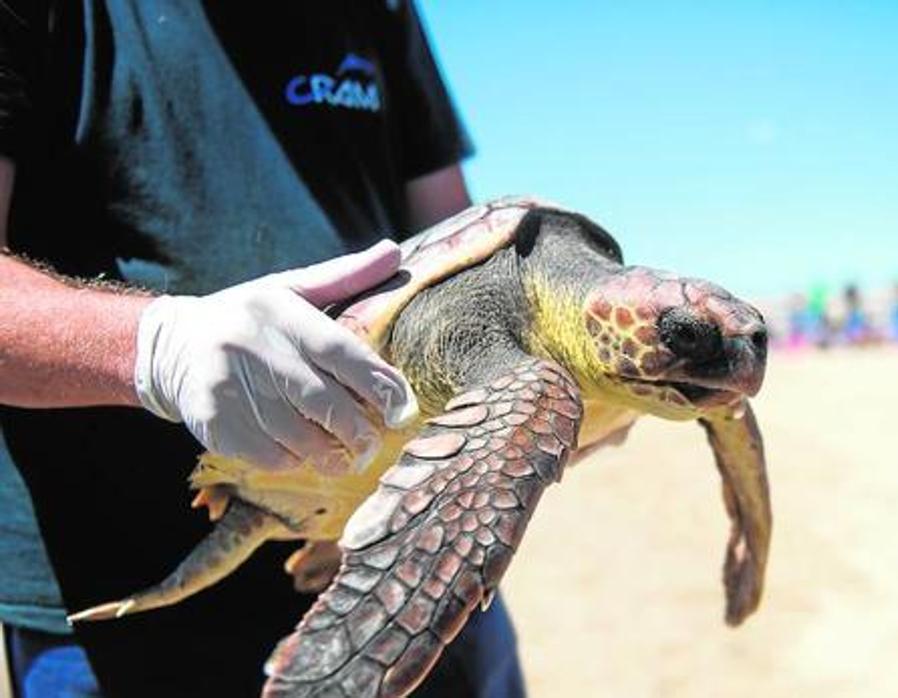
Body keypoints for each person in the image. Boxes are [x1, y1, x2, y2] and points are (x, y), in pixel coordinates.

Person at [0, 2, 523, 696]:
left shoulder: (379, 12)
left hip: (407, 548)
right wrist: (158, 347)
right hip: (120, 605)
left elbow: (466, 242)